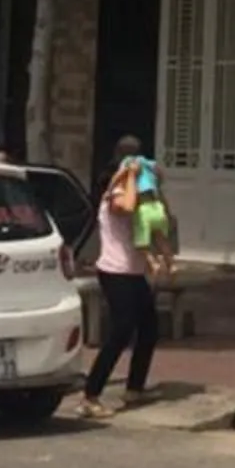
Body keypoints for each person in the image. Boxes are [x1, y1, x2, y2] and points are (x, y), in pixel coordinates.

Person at [80, 136, 175, 417]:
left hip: (134, 273)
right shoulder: (115, 192)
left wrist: (155, 188)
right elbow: (128, 206)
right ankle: (90, 394)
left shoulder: (141, 192)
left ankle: (134, 387)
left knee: (149, 329)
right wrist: (130, 174)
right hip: (114, 271)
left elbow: (163, 218)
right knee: (121, 331)